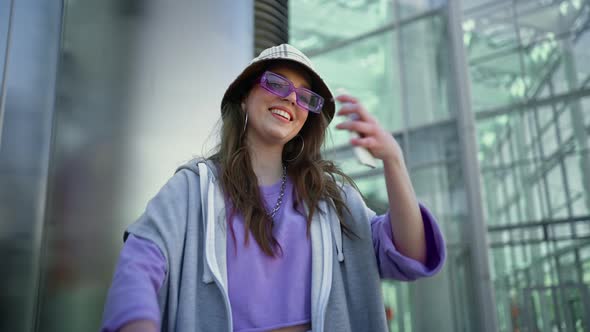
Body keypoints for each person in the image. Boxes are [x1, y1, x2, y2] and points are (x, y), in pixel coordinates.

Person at [101, 44, 446, 332]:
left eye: (304, 97)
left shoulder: (331, 198)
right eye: (277, 84)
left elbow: (410, 255)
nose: (291, 100)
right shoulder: (193, 189)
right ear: (243, 97)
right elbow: (137, 268)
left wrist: (393, 160)